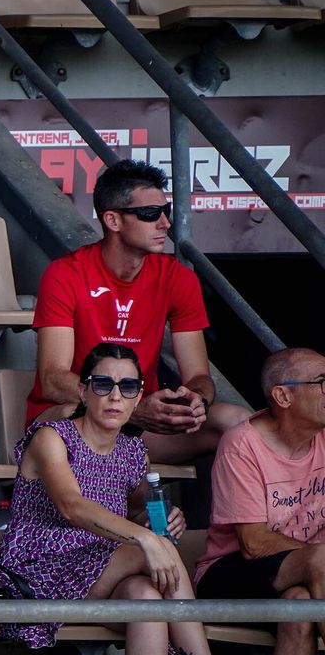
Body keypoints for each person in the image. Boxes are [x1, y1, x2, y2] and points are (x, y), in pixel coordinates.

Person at [0, 343, 286, 655]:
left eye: (128, 386)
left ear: (139, 395)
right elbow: (72, 506)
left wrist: (162, 520)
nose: (116, 396)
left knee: (148, 596)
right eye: (104, 384)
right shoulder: (51, 437)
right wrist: (148, 541)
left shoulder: (132, 450)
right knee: (155, 552)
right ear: (82, 391)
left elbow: (134, 511)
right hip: (38, 568)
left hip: (98, 567)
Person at [26, 160, 247, 468]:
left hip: (139, 425)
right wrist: (134, 406)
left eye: (165, 212)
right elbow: (53, 381)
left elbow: (199, 376)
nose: (165, 224)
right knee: (71, 417)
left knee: (237, 422)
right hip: (76, 418)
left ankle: (241, 518)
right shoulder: (65, 273)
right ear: (113, 220)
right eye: (149, 214)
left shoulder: (177, 278)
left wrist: (197, 400)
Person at [195, 348, 325, 655]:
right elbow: (254, 543)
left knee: (300, 605)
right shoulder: (242, 444)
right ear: (283, 396)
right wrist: (316, 556)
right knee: (322, 561)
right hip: (227, 574)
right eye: (322, 383)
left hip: (301, 579)